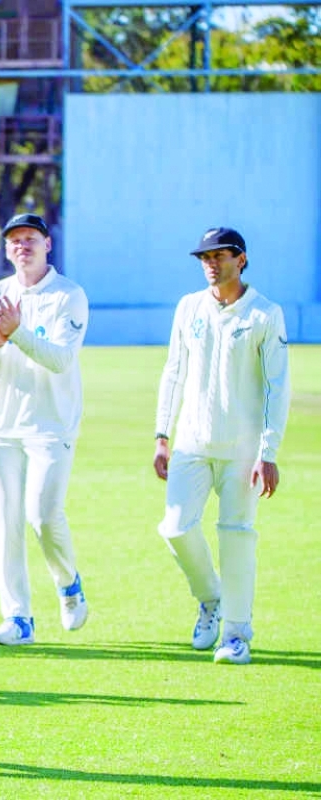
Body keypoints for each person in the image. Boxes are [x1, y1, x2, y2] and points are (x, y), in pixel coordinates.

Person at [153, 227, 290, 665]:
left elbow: (277, 387)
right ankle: (210, 597)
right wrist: (162, 434)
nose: (211, 264)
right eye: (205, 257)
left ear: (241, 259)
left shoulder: (265, 314)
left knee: (236, 536)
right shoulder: (189, 307)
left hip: (243, 450)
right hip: (192, 443)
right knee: (174, 527)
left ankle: (235, 634)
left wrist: (268, 452)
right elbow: (173, 371)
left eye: (220, 256)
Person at [0, 213, 89, 646]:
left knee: (42, 516)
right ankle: (18, 618)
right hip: (1, 427)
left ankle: (68, 582)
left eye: (31, 239)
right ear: (6, 249)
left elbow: (59, 359)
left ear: (47, 244)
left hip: (51, 425)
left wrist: (16, 332)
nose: (23, 246)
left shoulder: (68, 296)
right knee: (6, 524)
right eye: (15, 240)